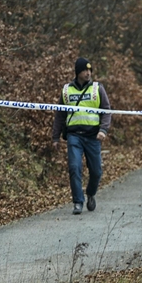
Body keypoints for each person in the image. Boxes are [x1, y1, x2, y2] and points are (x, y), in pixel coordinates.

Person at [52, 57, 112, 214]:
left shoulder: (97, 89)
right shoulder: (66, 90)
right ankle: (78, 202)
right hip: (74, 136)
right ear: (78, 72)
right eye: (85, 70)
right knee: (74, 167)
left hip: (93, 136)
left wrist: (103, 130)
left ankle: (90, 193)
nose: (88, 73)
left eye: (90, 70)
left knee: (96, 171)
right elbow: (59, 115)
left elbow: (106, 110)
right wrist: (55, 137)